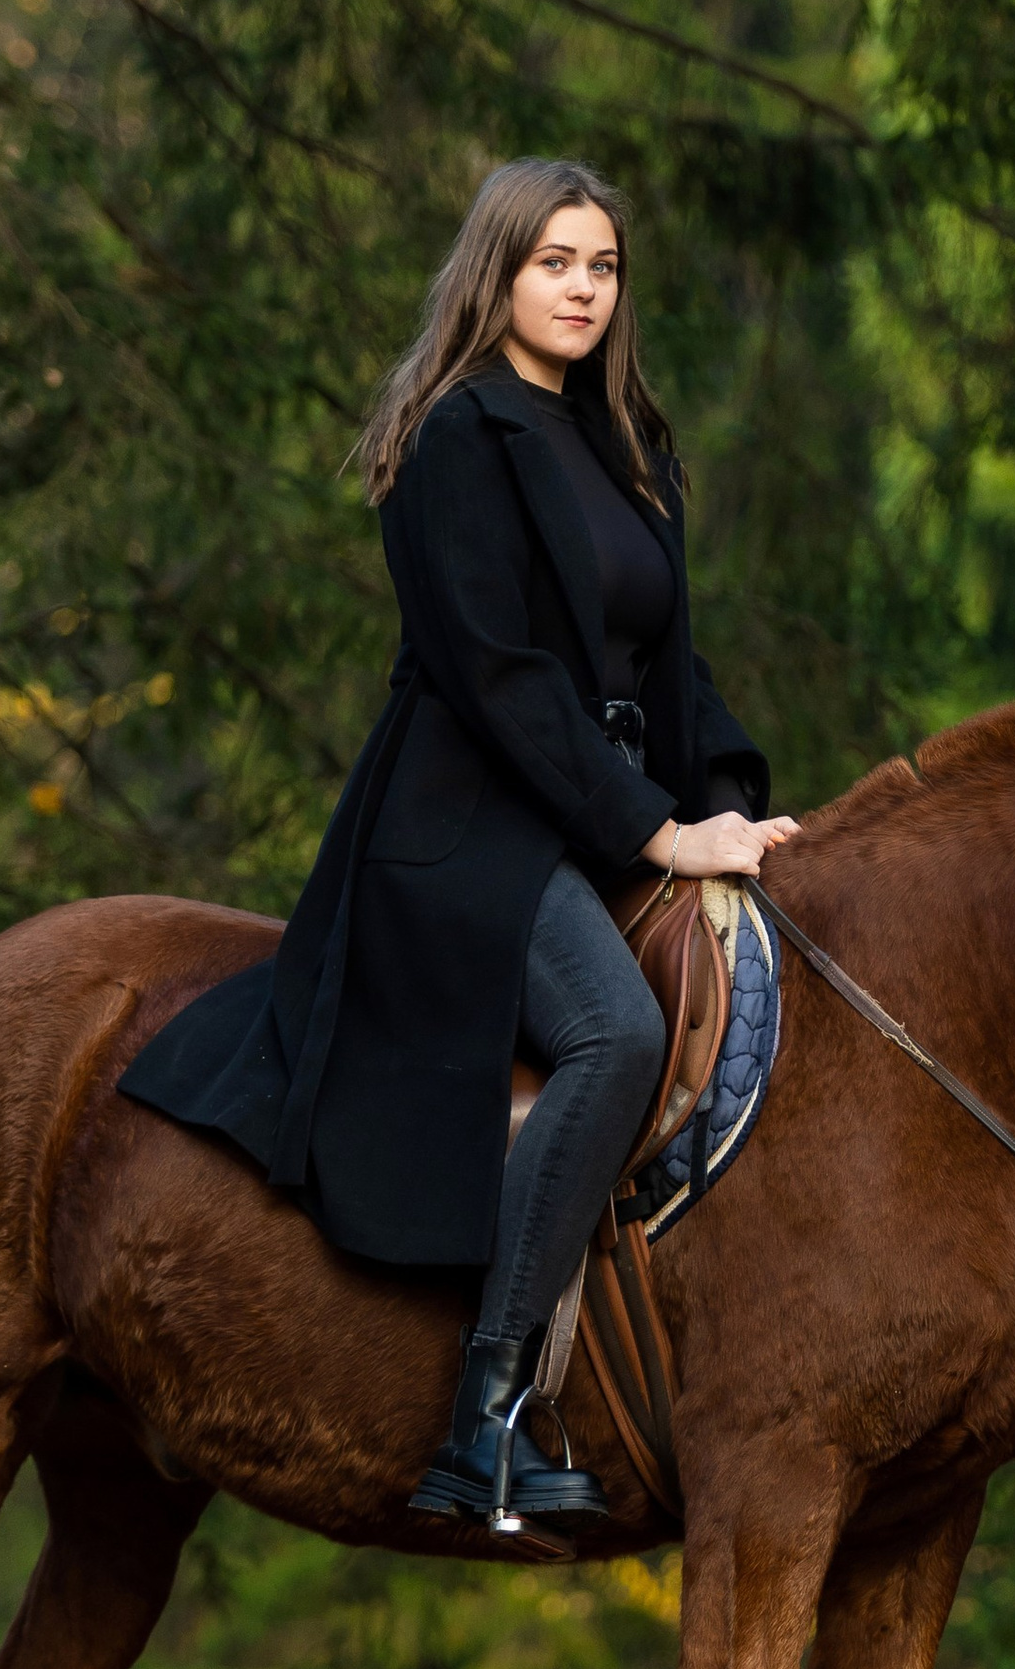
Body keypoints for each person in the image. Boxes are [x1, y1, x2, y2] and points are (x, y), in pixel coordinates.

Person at [120, 158, 797, 1537]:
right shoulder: (456, 441)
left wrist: (733, 799)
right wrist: (653, 826)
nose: (583, 288)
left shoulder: (625, 449)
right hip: (466, 823)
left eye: (602, 266)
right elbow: (499, 678)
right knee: (612, 1032)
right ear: (498, 272)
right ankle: (482, 1416)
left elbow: (668, 665)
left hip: (592, 801)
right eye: (556, 262)